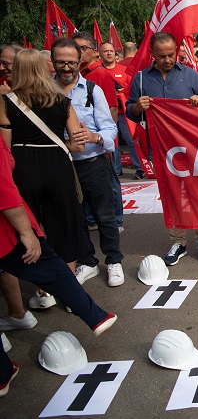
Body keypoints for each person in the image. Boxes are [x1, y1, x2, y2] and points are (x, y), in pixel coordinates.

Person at [0, 135, 117, 397]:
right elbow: (4, 188)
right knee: (50, 266)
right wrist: (26, 231)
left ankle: (2, 374)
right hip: (5, 231)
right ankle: (94, 314)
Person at [0, 48, 87, 309]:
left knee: (30, 226)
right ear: (43, 68)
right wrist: (63, 146)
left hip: (22, 166)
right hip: (58, 166)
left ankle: (43, 289)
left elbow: (5, 147)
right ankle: (69, 292)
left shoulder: (6, 102)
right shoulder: (62, 101)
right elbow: (78, 145)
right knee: (65, 225)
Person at [126, 31, 198, 265]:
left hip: (192, 147)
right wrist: (137, 107)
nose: (167, 59)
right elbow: (128, 110)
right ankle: (178, 241)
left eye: (171, 54)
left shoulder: (191, 77)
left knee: (197, 193)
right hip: (161, 149)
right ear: (152, 54)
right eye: (162, 56)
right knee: (171, 196)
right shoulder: (142, 79)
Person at [52, 38, 124, 287]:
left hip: (92, 162)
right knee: (75, 217)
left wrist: (94, 137)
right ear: (53, 62)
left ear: (79, 61)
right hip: (60, 166)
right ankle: (88, 262)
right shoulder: (45, 91)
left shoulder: (93, 90)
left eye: (71, 62)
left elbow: (109, 128)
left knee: (104, 216)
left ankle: (113, 261)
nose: (66, 67)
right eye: (61, 62)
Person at [100, 42, 143, 180]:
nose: (108, 53)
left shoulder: (124, 70)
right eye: (105, 51)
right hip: (106, 113)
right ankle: (115, 170)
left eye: (111, 51)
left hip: (123, 112)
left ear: (115, 53)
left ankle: (139, 168)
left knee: (131, 140)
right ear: (100, 54)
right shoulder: (98, 72)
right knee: (111, 142)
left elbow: (132, 89)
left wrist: (121, 93)